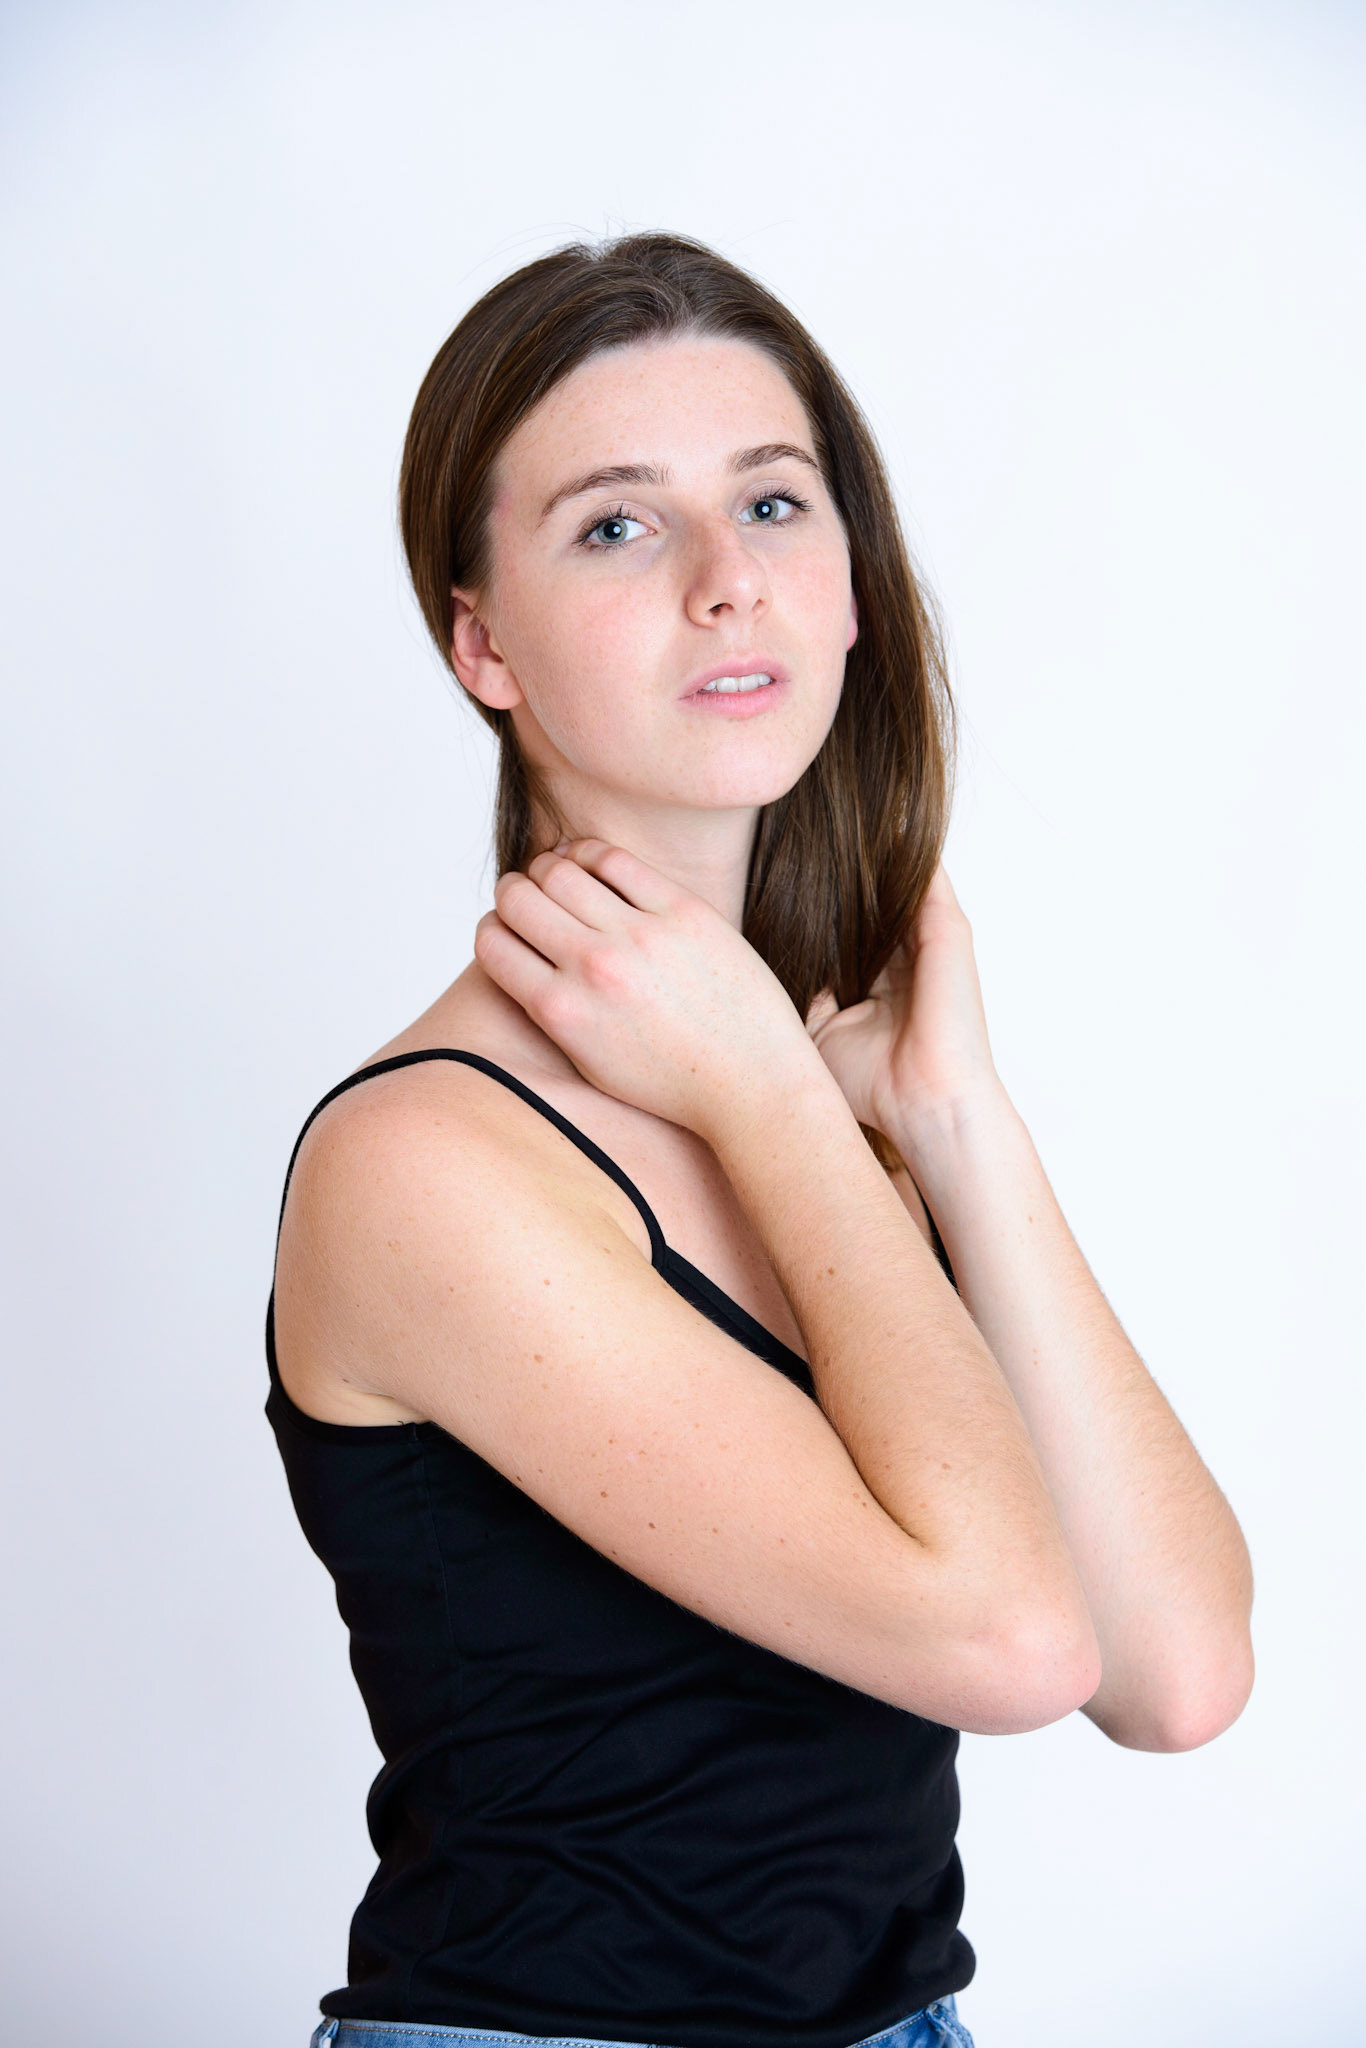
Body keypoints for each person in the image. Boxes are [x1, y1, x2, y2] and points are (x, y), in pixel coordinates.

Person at [265, 232, 1255, 2048]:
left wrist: (952, 1124)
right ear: (481, 643)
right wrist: (780, 1105)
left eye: (775, 504)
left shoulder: (811, 1095)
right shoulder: (426, 1166)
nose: (729, 582)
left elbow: (1172, 1676)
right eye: (616, 526)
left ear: (850, 586)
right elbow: (1012, 1646)